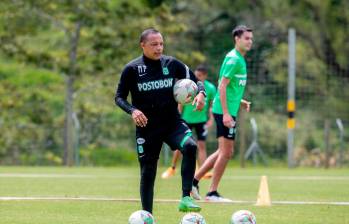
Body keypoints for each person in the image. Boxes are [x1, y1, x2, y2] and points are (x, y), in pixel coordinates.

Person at [115, 28, 206, 214]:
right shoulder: (132, 69)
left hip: (172, 122)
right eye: (154, 44)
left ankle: (186, 197)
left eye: (161, 44)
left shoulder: (172, 64)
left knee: (190, 146)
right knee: (148, 172)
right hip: (147, 128)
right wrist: (133, 111)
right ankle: (147, 215)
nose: (159, 48)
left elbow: (196, 80)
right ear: (142, 45)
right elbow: (119, 97)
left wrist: (201, 94)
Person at [191, 25, 253, 202]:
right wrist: (226, 113)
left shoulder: (237, 58)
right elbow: (222, 86)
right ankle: (212, 193)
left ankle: (194, 182)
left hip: (227, 109)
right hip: (224, 112)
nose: (250, 41)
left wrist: (239, 101)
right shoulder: (234, 59)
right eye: (246, 38)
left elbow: (226, 85)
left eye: (251, 39)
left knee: (222, 151)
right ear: (237, 39)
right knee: (226, 152)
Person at [161, 65, 217, 179]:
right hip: (186, 120)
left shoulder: (210, 88)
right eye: (196, 75)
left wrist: (211, 120)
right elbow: (180, 101)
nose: (196, 77)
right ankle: (172, 168)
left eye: (199, 76)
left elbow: (212, 105)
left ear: (205, 76)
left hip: (201, 121)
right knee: (180, 144)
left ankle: (203, 171)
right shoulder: (188, 85)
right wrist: (177, 117)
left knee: (202, 145)